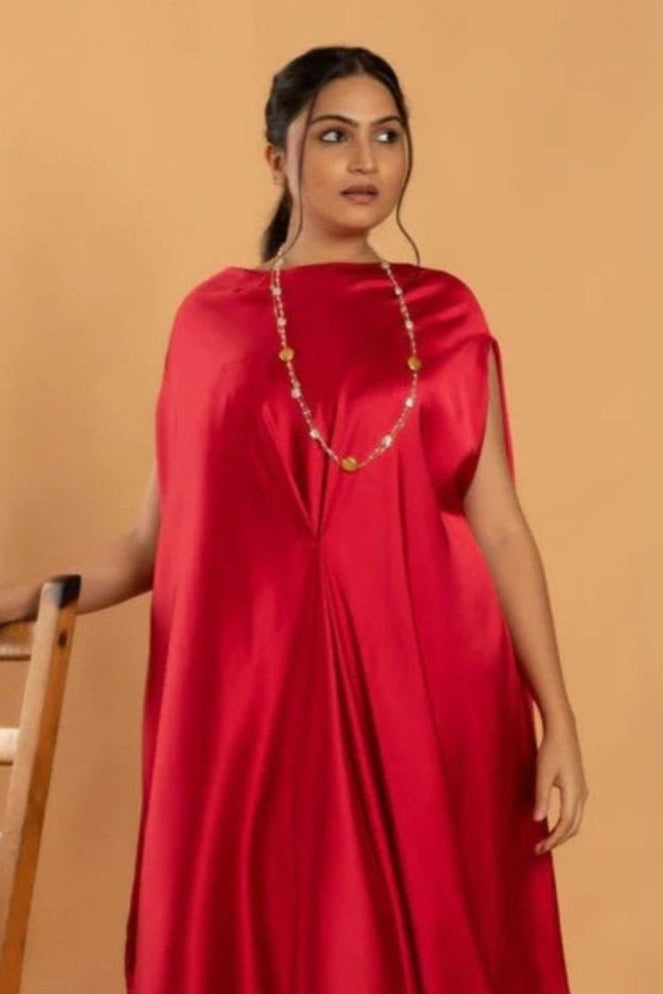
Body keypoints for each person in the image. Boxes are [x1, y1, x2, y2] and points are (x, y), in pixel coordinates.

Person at [1, 44, 589, 994]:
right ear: (276, 157)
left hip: (426, 689)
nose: (365, 161)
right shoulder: (213, 323)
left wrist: (555, 717)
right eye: (333, 136)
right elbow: (155, 543)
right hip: (253, 697)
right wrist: (28, 596)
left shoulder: (443, 315)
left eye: (387, 136)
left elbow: (501, 527)